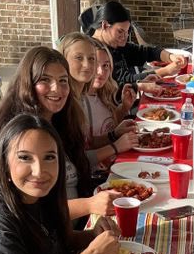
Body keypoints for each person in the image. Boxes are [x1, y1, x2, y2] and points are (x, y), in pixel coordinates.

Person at [0, 46, 119, 224]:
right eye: (45, 80)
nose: (57, 89)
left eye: (63, 81)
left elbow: (79, 162)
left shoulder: (63, 120)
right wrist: (89, 205)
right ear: (27, 84)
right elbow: (22, 213)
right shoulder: (14, 134)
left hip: (74, 231)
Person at [0, 114, 119, 254]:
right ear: (5, 164)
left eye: (49, 157)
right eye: (25, 158)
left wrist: (93, 236)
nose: (39, 171)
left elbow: (63, 241)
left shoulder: (46, 194)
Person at [58, 32, 138, 167]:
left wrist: (115, 133)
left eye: (91, 59)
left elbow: (88, 142)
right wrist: (115, 146)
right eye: (79, 58)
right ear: (63, 61)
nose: (88, 65)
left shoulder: (83, 98)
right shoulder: (62, 104)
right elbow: (75, 161)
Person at [90, 0, 186, 89]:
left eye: (127, 32)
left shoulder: (114, 43)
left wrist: (171, 56)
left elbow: (147, 51)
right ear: (105, 25)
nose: (125, 37)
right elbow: (123, 81)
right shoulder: (96, 51)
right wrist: (166, 71)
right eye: (120, 31)